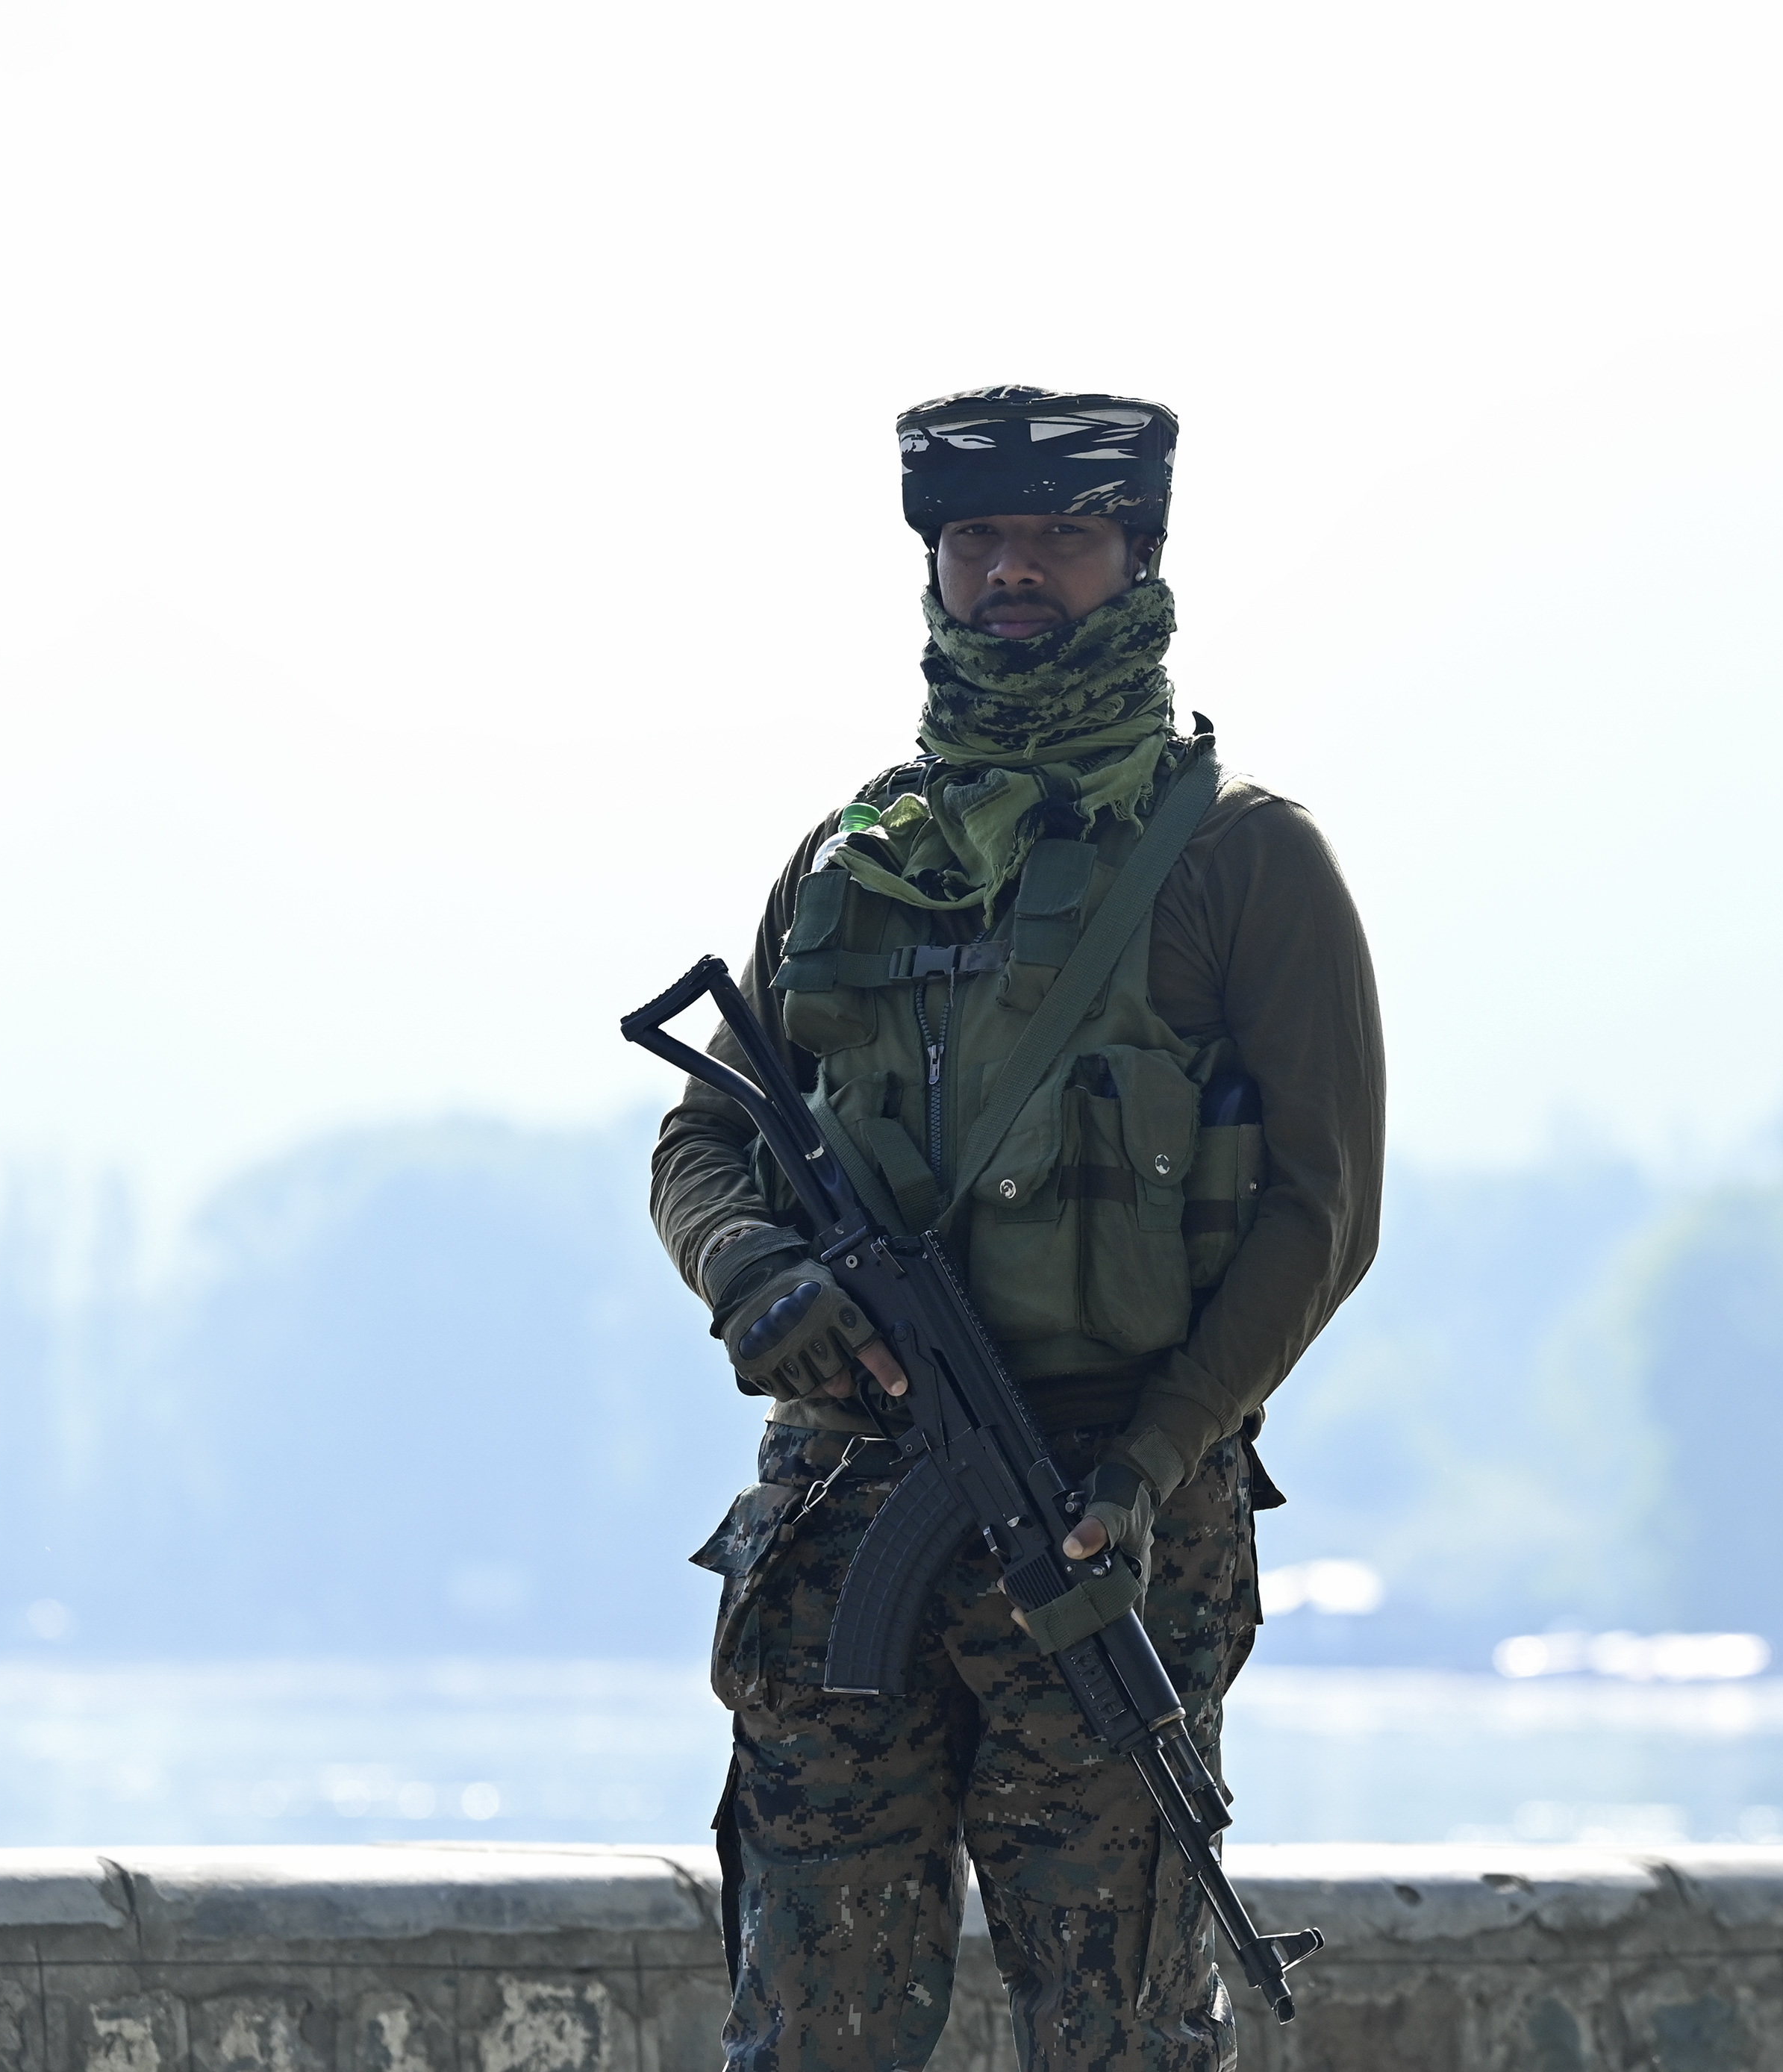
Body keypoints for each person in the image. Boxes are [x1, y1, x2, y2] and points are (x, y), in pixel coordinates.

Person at [649, 386, 1384, 2071]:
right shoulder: (848, 858)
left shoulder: (1239, 860)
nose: (1011, 572)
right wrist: (754, 1273)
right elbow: (708, 1133)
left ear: (1138, 554)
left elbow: (1321, 1212)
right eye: (975, 536)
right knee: (807, 2029)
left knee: (1117, 2030)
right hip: (840, 1512)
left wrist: (1154, 1459)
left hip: (1099, 1519)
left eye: (1060, 534)